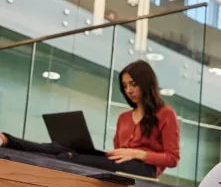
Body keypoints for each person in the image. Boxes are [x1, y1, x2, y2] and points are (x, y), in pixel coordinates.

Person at [0, 60, 179, 178]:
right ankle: (7, 140)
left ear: (146, 83)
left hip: (143, 169)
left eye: (133, 84)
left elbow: (172, 159)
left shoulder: (165, 114)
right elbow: (118, 151)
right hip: (118, 161)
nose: (128, 90)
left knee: (69, 157)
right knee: (59, 147)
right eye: (124, 86)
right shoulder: (124, 117)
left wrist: (135, 153)